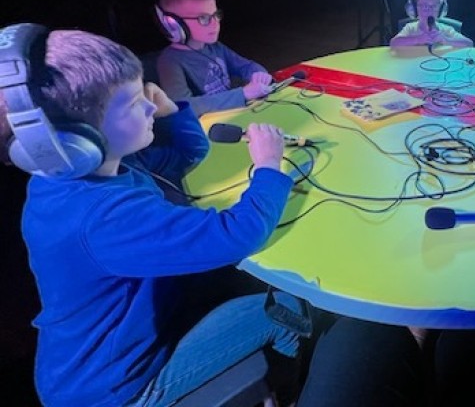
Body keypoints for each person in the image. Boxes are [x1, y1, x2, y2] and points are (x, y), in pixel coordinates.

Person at [0, 24, 311, 407]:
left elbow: (185, 156)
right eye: (133, 103)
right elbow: (238, 235)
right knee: (286, 308)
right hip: (117, 389)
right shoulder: (104, 217)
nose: (150, 104)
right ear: (74, 140)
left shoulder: (88, 172)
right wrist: (268, 166)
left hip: (111, 352)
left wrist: (171, 111)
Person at [154, 0, 274, 115]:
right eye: (203, 18)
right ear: (173, 24)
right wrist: (243, 94)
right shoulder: (169, 61)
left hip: (232, 113)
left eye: (215, 15)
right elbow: (182, 106)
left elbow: (246, 66)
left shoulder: (215, 47)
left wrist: (258, 74)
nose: (215, 23)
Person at [390, 0, 473, 49]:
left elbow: (469, 43)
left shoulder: (446, 30)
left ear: (441, 9)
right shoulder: (410, 28)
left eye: (434, 6)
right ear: (414, 9)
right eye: (424, 6)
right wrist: (417, 39)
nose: (429, 11)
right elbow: (393, 43)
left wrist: (447, 40)